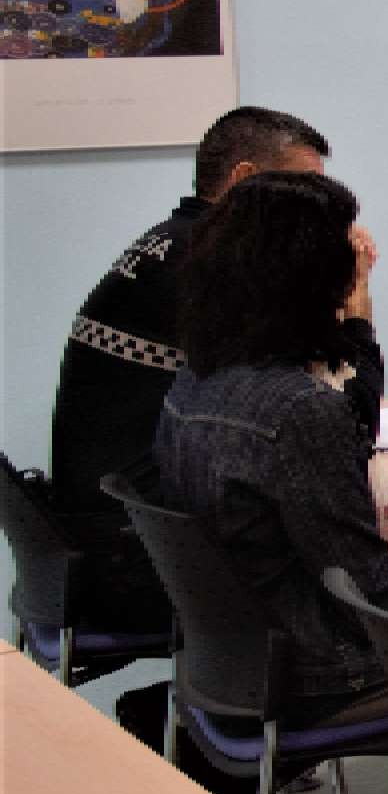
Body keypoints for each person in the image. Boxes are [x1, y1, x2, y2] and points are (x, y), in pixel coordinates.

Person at [154, 170, 388, 729]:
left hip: (232, 661)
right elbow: (370, 594)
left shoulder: (195, 381)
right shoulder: (299, 411)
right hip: (319, 670)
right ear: (312, 278)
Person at [52, 105, 332, 518]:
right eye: (302, 190)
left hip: (110, 502)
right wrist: (351, 295)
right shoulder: (217, 263)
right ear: (243, 181)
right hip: (144, 525)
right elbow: (316, 398)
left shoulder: (172, 239)